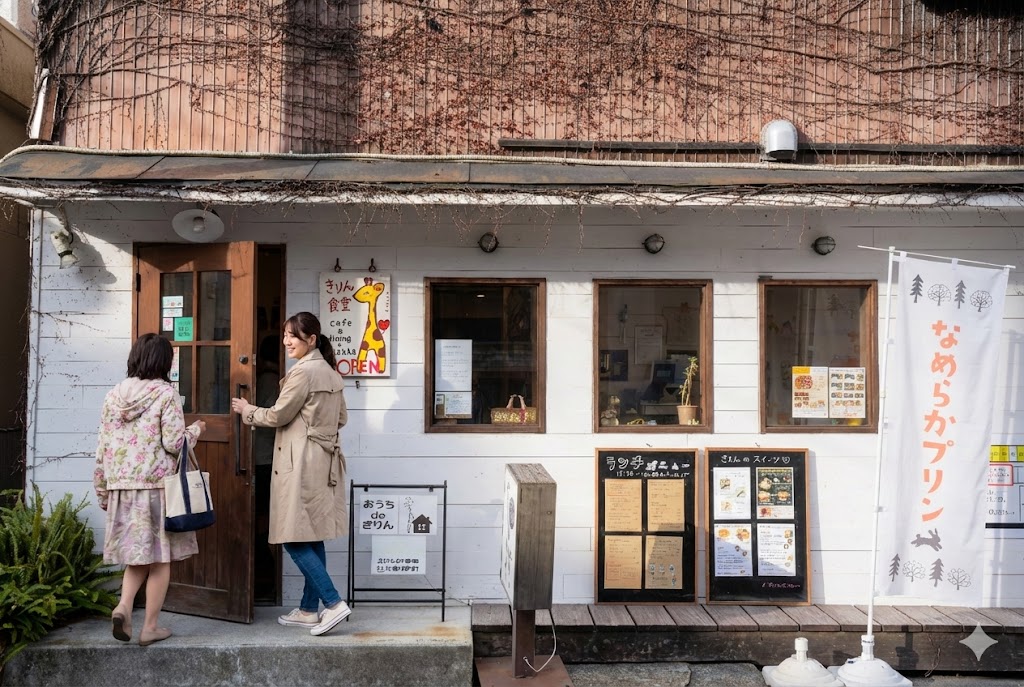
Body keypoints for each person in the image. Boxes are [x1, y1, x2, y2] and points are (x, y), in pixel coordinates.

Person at [230, 311, 351, 636]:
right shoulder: (330, 372)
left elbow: (278, 415)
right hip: (323, 462)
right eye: (285, 335)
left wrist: (247, 410)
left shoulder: (303, 373)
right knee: (312, 534)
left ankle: (333, 603)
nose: (286, 341)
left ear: (311, 339)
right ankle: (309, 610)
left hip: (300, 464)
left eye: (292, 336)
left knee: (291, 537)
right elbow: (341, 419)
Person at [93, 333, 206, 646]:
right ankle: (150, 628)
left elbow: (102, 446)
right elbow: (174, 443)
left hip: (122, 487)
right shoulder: (165, 393)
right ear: (164, 361)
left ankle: (124, 606)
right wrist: (196, 430)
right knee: (159, 559)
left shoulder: (113, 395)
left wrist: (102, 489)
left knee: (138, 556)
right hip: (156, 489)